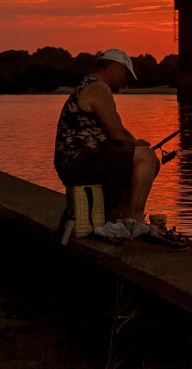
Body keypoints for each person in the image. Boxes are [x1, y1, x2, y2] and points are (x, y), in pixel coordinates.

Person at [54, 49, 160, 240]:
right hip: (77, 160)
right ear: (114, 67)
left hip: (74, 160)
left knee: (144, 160)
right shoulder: (98, 88)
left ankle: (117, 219)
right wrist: (139, 145)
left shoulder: (88, 85)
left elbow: (114, 137)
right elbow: (117, 133)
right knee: (147, 157)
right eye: (125, 73)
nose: (125, 79)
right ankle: (134, 219)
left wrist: (133, 147)